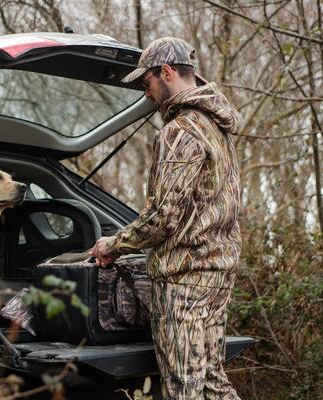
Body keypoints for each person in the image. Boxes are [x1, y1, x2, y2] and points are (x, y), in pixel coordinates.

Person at [91, 37, 242, 400]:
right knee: (211, 381)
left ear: (167, 72)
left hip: (185, 278)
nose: (146, 94)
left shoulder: (180, 130)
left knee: (183, 387)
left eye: (147, 83)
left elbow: (163, 217)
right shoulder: (216, 127)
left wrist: (113, 243)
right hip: (217, 271)